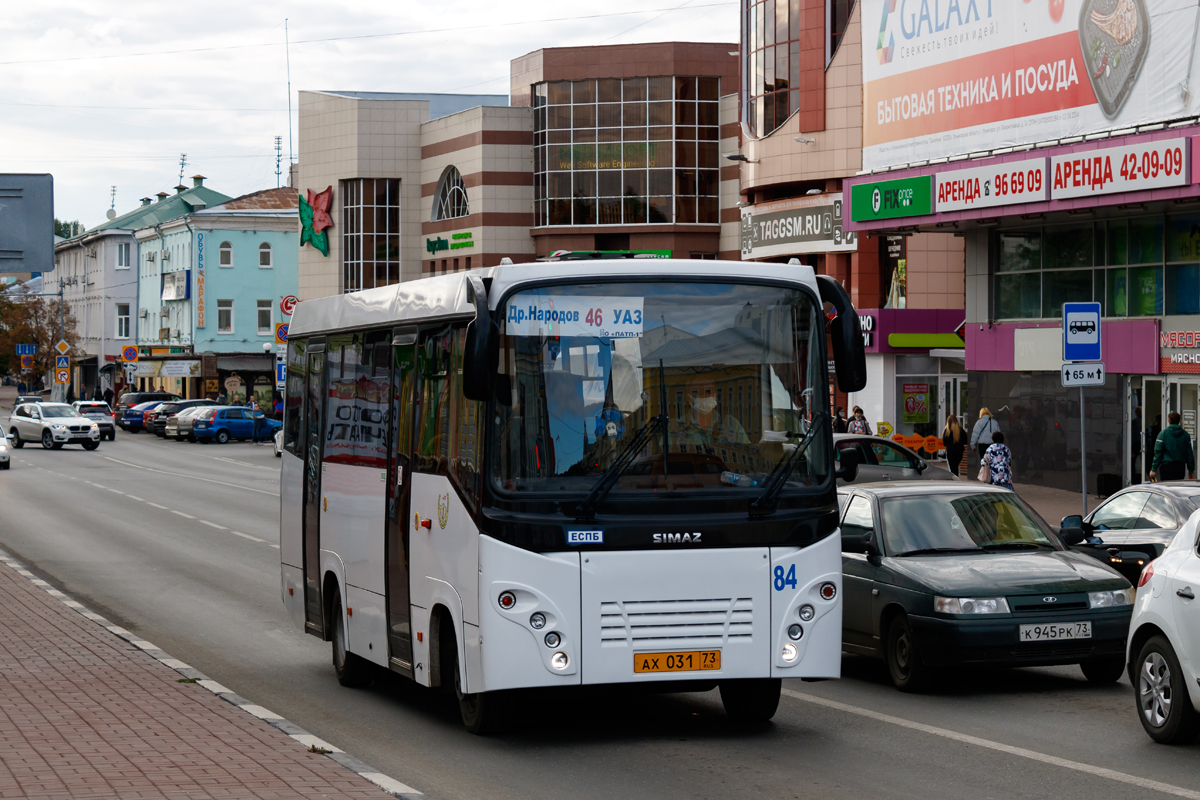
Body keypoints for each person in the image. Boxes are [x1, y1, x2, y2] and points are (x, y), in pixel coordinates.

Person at [1149, 411, 1196, 482]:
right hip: (1180, 467)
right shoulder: (1186, 435)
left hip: (1166, 466)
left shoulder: (1163, 434)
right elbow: (1189, 454)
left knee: (1166, 488)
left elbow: (1158, 452)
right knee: (1177, 489)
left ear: (1169, 420)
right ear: (1179, 420)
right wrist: (1191, 470)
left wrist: (1153, 469)